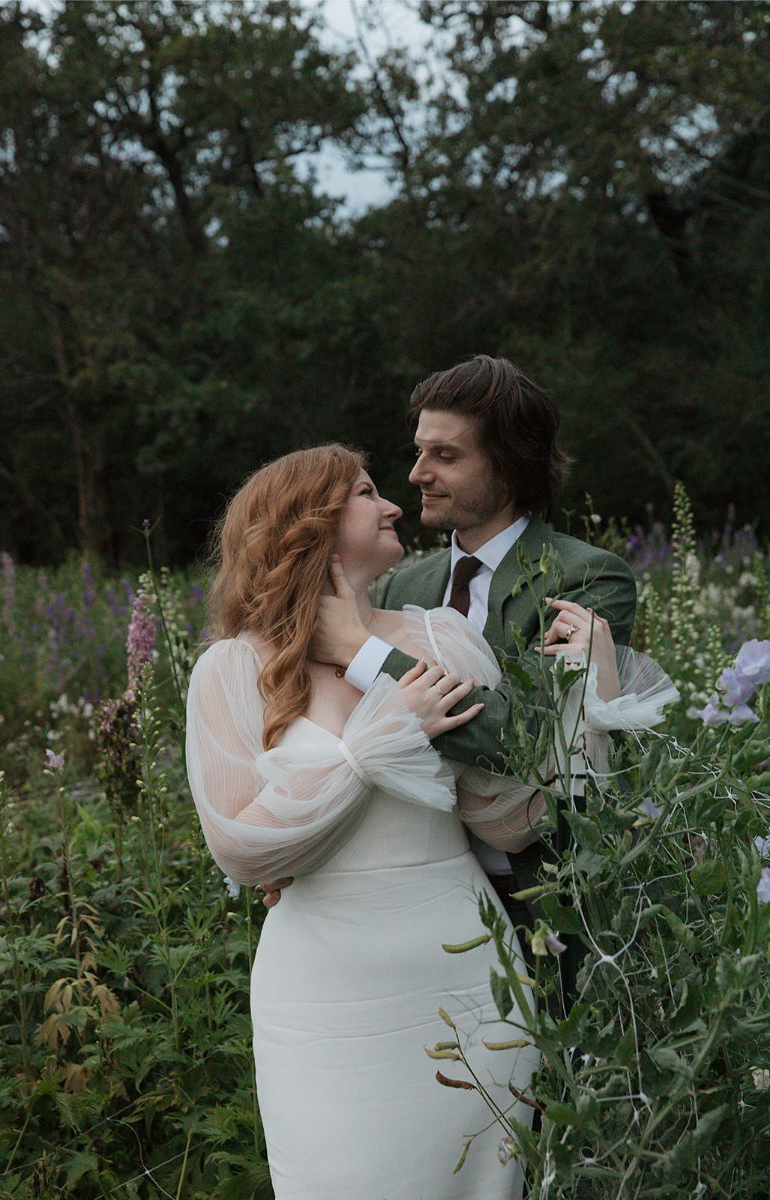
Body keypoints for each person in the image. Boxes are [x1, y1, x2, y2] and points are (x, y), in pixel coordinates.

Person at [185, 444, 624, 1200]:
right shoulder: (232, 669)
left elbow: (513, 818)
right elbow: (240, 847)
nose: (393, 505)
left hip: (464, 975)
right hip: (323, 995)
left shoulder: (440, 638)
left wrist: (591, 694)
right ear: (308, 524)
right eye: (365, 492)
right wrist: (387, 738)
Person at [299, 355, 639, 932]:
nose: (416, 474)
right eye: (419, 452)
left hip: (550, 891)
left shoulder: (585, 578)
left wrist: (365, 654)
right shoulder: (406, 583)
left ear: (510, 467)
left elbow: (537, 738)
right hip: (419, 891)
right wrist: (294, 850)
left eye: (446, 456)